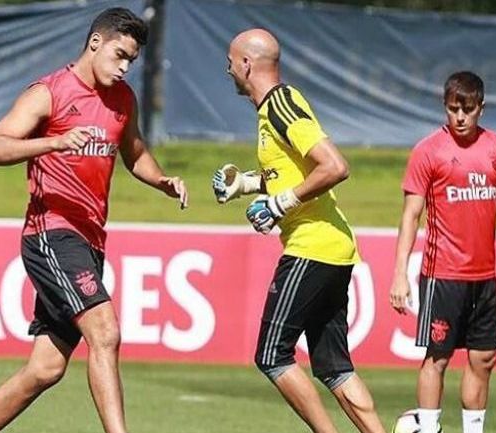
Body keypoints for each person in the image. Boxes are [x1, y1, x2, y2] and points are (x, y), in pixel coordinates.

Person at [0, 8, 187, 433]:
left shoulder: (123, 100)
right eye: (119, 55)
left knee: (46, 369)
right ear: (95, 43)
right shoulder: (49, 92)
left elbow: (135, 153)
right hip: (50, 233)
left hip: (89, 241)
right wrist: (54, 141)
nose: (124, 67)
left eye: (132, 61)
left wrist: (162, 180)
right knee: (105, 331)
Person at [213, 28, 385, 433]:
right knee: (333, 366)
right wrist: (248, 185)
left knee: (272, 354)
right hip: (331, 248)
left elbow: (334, 166)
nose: (227, 68)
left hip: (313, 245)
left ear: (246, 64)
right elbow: (293, 172)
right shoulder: (273, 108)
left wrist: (280, 204)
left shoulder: (280, 105)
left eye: (230, 60)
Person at [389, 71, 496, 433]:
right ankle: (428, 428)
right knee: (438, 358)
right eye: (452, 109)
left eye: (468, 109)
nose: (460, 117)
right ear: (444, 107)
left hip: (484, 277)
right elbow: (411, 215)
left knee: (484, 358)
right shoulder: (428, 151)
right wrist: (399, 274)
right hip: (442, 275)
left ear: (482, 108)